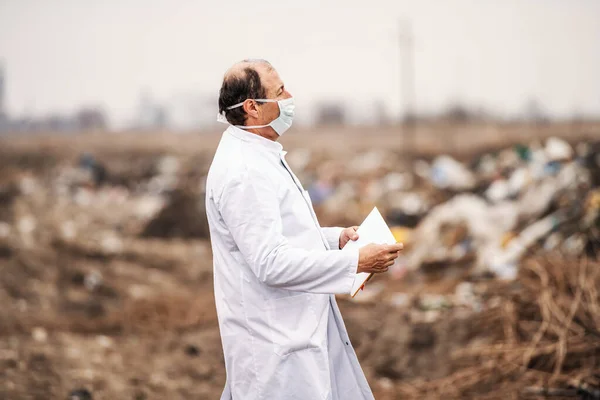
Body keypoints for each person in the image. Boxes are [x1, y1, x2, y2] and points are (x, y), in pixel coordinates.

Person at [205, 59, 403, 400]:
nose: (290, 97)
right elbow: (271, 262)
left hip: (295, 332)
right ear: (252, 107)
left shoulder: (260, 155)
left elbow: (281, 234)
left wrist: (335, 240)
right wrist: (355, 262)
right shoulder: (244, 173)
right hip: (276, 347)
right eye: (280, 91)